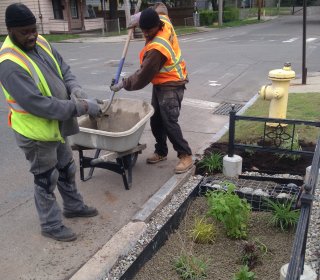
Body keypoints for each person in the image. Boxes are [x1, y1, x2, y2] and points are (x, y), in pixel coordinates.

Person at [0, 3, 103, 242]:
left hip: (56, 128)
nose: (32, 35)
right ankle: (50, 224)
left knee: (66, 169)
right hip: (35, 134)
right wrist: (83, 106)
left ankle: (73, 206)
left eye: (34, 29)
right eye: (25, 31)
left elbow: (64, 69)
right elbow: (41, 105)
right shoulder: (9, 64)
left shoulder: (42, 43)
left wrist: (75, 89)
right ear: (11, 30)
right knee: (46, 179)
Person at [111, 3, 193, 174]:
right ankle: (161, 151)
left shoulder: (158, 49)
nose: (146, 34)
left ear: (158, 26)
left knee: (169, 121)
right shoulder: (163, 19)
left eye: (149, 30)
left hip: (172, 83)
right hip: (161, 82)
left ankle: (185, 155)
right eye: (143, 30)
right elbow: (161, 7)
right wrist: (138, 17)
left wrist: (123, 83)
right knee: (155, 120)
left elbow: (142, 77)